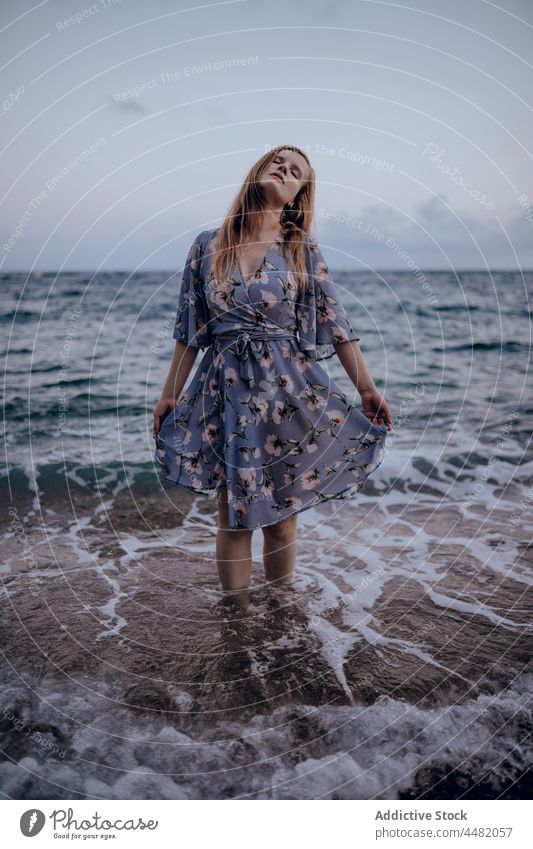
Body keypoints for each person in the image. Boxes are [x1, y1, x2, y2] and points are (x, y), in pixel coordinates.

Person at [153, 144, 393, 608]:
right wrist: (169, 395)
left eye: (295, 170)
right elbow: (189, 328)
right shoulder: (207, 244)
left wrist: (366, 387)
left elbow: (335, 322)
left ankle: (282, 617)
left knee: (282, 515)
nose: (284, 170)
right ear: (257, 172)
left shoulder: (299, 249)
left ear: (299, 193)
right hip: (224, 389)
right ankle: (237, 621)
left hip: (287, 388)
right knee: (234, 512)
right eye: (277, 162)